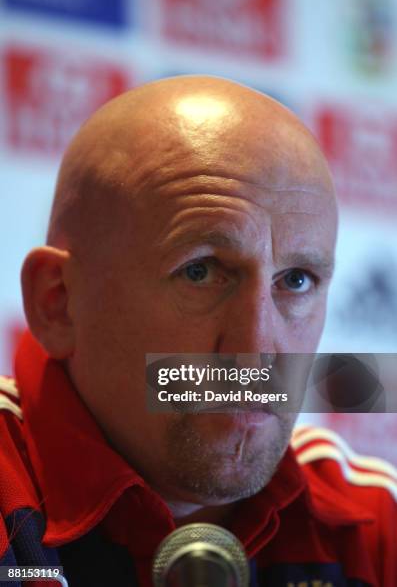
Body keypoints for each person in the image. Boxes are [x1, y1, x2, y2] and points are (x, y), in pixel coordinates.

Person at [0, 75, 395, 587]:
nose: (256, 351)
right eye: (201, 271)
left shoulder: (371, 527)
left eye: (296, 280)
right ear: (59, 303)